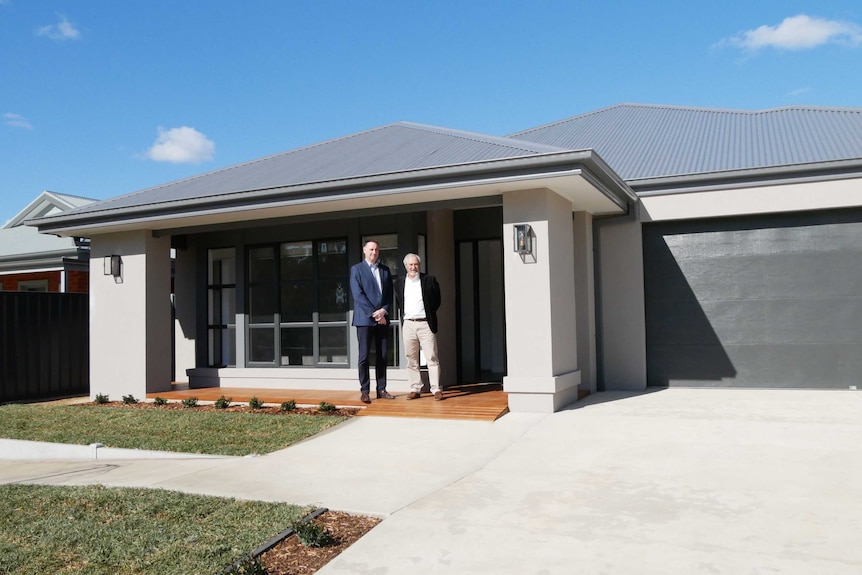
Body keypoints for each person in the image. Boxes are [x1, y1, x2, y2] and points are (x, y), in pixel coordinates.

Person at [350, 239, 395, 404]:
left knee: (382, 356)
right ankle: (365, 391)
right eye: (370, 249)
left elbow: (389, 294)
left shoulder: (385, 270)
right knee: (364, 357)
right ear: (364, 250)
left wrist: (383, 311)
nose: (374, 252)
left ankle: (381, 389)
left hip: (382, 319)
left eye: (376, 250)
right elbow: (358, 295)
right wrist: (374, 313)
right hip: (364, 320)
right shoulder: (357, 270)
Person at [394, 253, 443, 400]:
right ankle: (415, 388)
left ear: (419, 265)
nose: (413, 267)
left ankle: (436, 389)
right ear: (405, 266)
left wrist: (427, 313)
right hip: (408, 323)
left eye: (416, 264)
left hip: (425, 323)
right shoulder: (399, 283)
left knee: (432, 357)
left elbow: (437, 300)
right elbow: (399, 302)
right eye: (410, 265)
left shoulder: (429, 280)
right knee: (411, 358)